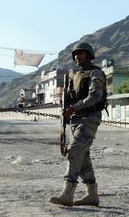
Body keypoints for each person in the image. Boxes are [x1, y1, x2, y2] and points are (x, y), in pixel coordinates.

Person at [49, 41, 107, 206]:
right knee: (83, 157)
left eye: (81, 53)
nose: (77, 56)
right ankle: (92, 195)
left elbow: (95, 96)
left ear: (89, 55)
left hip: (89, 119)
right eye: (75, 54)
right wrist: (67, 111)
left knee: (74, 152)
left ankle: (68, 193)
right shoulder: (74, 75)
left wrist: (73, 108)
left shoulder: (95, 73)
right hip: (75, 121)